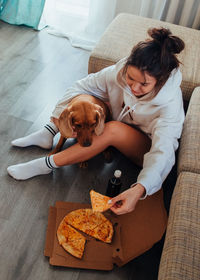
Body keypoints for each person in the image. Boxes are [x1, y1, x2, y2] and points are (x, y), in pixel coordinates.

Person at [7, 27, 185, 215]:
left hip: (146, 149)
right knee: (88, 99)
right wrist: (57, 121)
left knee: (113, 128)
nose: (133, 87)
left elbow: (163, 152)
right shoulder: (119, 73)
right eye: (130, 78)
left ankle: (46, 165)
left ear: (160, 81)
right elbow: (80, 87)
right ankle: (48, 131)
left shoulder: (169, 105)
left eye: (144, 84)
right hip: (124, 123)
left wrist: (140, 188)